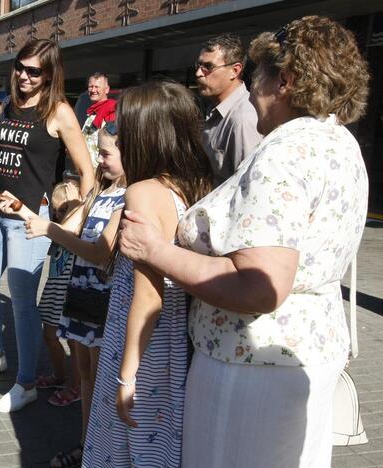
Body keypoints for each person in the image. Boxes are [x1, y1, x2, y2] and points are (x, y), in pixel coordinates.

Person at [117, 16, 370, 467]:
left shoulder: (285, 153)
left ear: (286, 80)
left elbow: (258, 285)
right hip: (305, 357)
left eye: (259, 74)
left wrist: (156, 250)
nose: (253, 89)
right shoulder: (340, 142)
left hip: (250, 368)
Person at [0, 39, 95, 413]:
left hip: (30, 221)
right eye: (20, 67)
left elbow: (87, 171)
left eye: (34, 71)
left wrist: (80, 219)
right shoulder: (10, 105)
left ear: (49, 74)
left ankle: (26, 382)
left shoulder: (60, 112)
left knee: (22, 304)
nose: (24, 75)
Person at [83, 80, 213, 466]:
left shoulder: (142, 192)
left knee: (126, 445)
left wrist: (127, 374)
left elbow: (149, 292)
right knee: (158, 447)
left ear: (146, 134)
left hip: (143, 343)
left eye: (126, 129)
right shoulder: (193, 184)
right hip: (174, 338)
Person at [2, 125, 127, 467]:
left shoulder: (129, 197)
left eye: (105, 154)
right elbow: (69, 229)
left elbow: (101, 252)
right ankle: (86, 446)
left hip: (105, 304)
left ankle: (102, 451)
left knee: (101, 382)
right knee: (86, 376)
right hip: (82, 298)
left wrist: (49, 229)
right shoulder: (101, 192)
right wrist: (24, 211)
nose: (98, 162)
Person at [34, 180, 82, 409]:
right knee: (49, 336)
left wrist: (77, 208)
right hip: (55, 288)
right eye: (55, 209)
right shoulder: (57, 228)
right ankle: (59, 376)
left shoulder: (78, 229)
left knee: (74, 343)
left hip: (70, 292)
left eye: (64, 209)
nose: (58, 214)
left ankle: (77, 386)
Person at [196, 34, 262, 186]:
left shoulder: (242, 118)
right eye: (199, 65)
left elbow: (249, 185)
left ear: (235, 70)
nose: (198, 73)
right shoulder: (213, 111)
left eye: (208, 67)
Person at [80, 73, 117, 167]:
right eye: (90, 86)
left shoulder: (111, 111)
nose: (93, 90)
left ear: (107, 89)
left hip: (101, 170)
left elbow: (114, 145)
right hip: (86, 170)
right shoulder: (91, 113)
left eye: (97, 87)